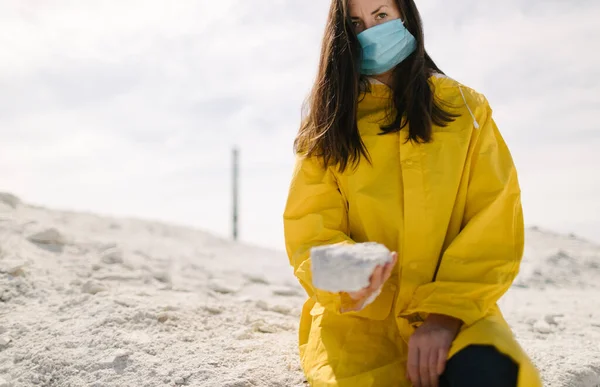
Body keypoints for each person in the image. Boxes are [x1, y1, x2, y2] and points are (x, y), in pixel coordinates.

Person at [282, 1, 543, 386]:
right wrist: (352, 273)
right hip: (358, 328)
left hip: (456, 320)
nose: (369, 31)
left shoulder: (464, 108)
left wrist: (445, 314)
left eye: (381, 15)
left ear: (405, 16)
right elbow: (308, 233)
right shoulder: (328, 127)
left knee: (493, 375)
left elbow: (494, 216)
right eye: (355, 23)